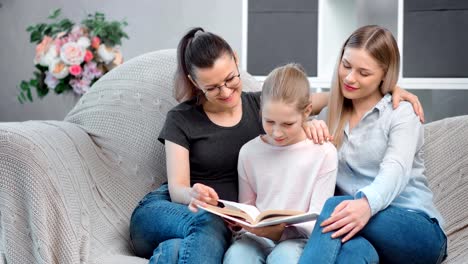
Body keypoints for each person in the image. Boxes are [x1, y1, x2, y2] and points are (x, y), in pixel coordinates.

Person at [129, 27, 425, 264]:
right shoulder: (182, 118)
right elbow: (178, 188)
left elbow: (329, 97)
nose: (226, 91)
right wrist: (193, 193)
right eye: (212, 87)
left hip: (232, 220)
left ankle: (171, 254)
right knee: (209, 224)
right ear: (195, 82)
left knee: (213, 236)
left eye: (231, 79)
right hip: (177, 206)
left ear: (236, 60)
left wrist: (388, 87)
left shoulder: (261, 104)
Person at [298, 25, 447, 264]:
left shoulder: (402, 113)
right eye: (346, 65)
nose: (349, 78)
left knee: (335, 207)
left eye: (363, 73)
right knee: (355, 254)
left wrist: (366, 204)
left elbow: (396, 168)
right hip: (358, 227)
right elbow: (282, 105)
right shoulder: (330, 115)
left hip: (417, 230)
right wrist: (303, 124)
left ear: (384, 74)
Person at [222, 63, 337, 264]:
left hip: (299, 239)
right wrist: (240, 223)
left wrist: (279, 233)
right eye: (269, 122)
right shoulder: (249, 152)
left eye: (287, 124)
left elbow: (319, 219)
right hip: (256, 237)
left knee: (283, 259)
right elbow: (247, 208)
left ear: (307, 110)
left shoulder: (324, 152)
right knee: (237, 258)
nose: (276, 133)